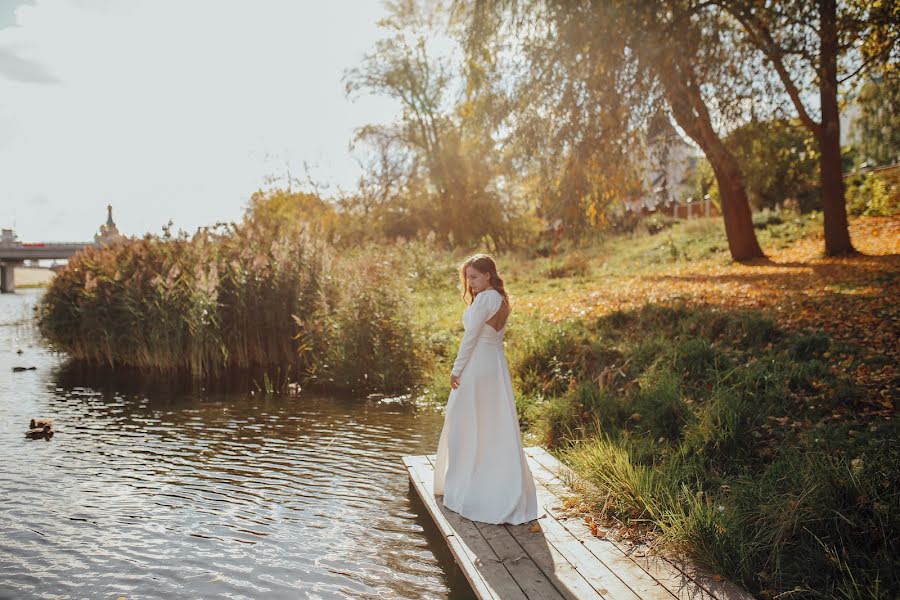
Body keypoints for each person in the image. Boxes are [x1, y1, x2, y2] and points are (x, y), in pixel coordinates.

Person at [433, 253, 543, 525]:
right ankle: (493, 482)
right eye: (467, 278)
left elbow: (470, 338)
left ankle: (472, 487)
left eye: (473, 277)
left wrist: (457, 369)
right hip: (495, 366)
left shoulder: (485, 299)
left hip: (478, 367)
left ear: (488, 275)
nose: (469, 284)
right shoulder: (501, 298)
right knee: (493, 424)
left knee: (465, 423)